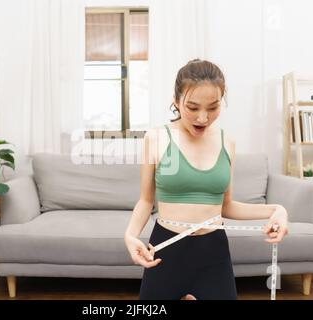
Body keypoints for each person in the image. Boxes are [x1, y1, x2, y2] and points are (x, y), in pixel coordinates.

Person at [124, 59, 289, 300]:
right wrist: (130, 236)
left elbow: (226, 206)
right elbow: (146, 201)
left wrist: (277, 209)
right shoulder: (156, 138)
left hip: (213, 252)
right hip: (165, 249)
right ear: (176, 101)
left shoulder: (227, 142)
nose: (203, 118)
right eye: (192, 107)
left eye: (213, 108)